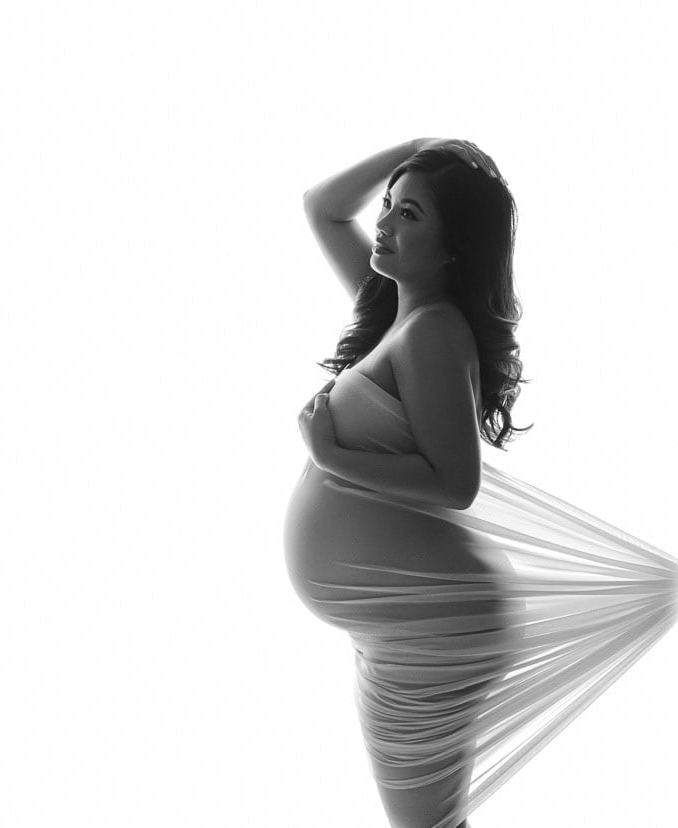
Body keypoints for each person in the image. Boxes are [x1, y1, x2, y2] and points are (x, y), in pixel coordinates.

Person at [283, 138, 678, 828]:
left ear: (453, 247)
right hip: (406, 625)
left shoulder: (431, 331)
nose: (383, 225)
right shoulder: (398, 315)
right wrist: (419, 149)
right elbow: (322, 208)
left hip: (431, 628)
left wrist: (332, 457)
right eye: (388, 207)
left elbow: (453, 483)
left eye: (409, 215)